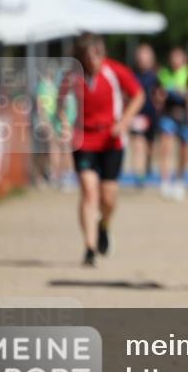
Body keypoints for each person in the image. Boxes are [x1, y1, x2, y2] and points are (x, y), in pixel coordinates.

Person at [59, 33, 145, 266]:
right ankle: (89, 247)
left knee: (108, 197)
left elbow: (138, 95)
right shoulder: (73, 75)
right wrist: (65, 124)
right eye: (88, 56)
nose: (93, 61)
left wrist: (124, 121)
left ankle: (103, 225)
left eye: (97, 55)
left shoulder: (115, 71)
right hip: (84, 139)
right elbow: (60, 104)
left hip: (111, 139)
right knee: (89, 192)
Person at [157, 47, 188, 201]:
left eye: (178, 57)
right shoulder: (164, 74)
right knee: (166, 147)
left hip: (185, 116)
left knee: (184, 151)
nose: (175, 61)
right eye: (173, 57)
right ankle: (165, 181)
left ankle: (179, 180)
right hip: (168, 115)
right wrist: (161, 96)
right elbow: (157, 97)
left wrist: (184, 93)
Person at [128, 43, 160, 188]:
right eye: (140, 55)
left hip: (152, 114)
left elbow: (161, 95)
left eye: (146, 55)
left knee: (149, 146)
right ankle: (139, 175)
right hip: (138, 114)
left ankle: (147, 164)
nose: (143, 58)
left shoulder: (157, 76)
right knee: (138, 144)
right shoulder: (131, 76)